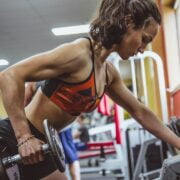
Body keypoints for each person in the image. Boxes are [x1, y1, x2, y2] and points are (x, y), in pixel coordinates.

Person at [0, 0, 179, 179]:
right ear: (129, 22)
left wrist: (178, 143)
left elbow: (140, 111)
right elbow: (10, 75)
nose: (142, 49)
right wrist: (24, 136)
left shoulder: (108, 74)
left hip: (43, 143)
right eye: (144, 39)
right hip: (12, 137)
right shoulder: (78, 53)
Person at [24, 81, 81, 180]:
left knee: (60, 159)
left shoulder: (33, 81)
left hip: (46, 127)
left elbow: (25, 104)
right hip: (54, 126)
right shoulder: (60, 75)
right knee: (65, 158)